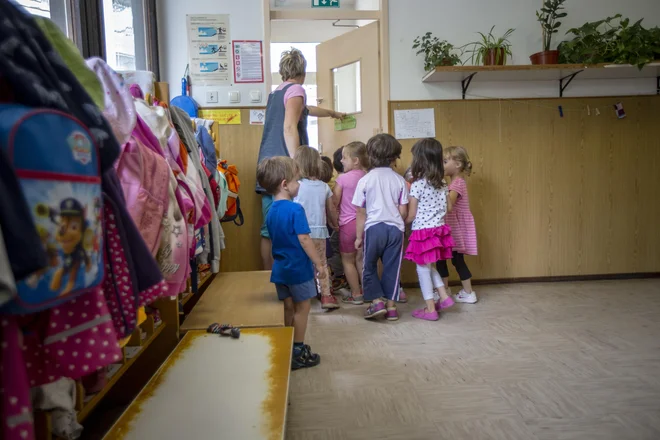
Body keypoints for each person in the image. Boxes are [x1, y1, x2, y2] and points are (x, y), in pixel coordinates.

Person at [256, 48, 344, 270]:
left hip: (268, 163)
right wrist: (297, 162)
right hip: (284, 165)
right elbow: (289, 127)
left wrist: (332, 113)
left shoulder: (277, 92)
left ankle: (268, 277)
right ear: (302, 72)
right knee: (292, 224)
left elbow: (306, 110)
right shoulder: (297, 89)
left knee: (270, 227)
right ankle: (295, 276)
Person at [257, 156, 325, 369]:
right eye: (297, 180)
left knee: (288, 307)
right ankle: (298, 349)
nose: (300, 184)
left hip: (281, 270)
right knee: (303, 308)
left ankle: (287, 344)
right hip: (298, 269)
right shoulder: (295, 209)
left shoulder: (270, 212)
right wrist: (320, 264)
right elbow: (304, 239)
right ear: (285, 185)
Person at [353, 134, 409, 321]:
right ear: (395, 157)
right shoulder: (400, 180)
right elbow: (403, 211)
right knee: (392, 268)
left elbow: (361, 212)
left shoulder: (365, 180)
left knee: (368, 266)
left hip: (373, 228)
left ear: (370, 156)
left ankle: (376, 302)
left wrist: (359, 237)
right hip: (395, 230)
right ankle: (391, 308)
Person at [404, 139, 455, 321]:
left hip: (422, 232)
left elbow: (411, 214)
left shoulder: (418, 185)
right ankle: (444, 296)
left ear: (420, 160)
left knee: (422, 269)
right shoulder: (442, 183)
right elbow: (449, 208)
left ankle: (430, 308)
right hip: (439, 230)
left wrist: (402, 222)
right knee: (429, 264)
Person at [293, 146, 339, 310]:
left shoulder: (295, 186)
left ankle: (301, 295)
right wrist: (335, 223)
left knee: (300, 263)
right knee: (321, 263)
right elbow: (332, 208)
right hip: (319, 232)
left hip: (299, 233)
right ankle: (326, 296)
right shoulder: (324, 186)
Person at [437, 146, 478, 304]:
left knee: (455, 259)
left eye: (445, 161)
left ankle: (468, 292)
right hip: (451, 227)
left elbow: (449, 204)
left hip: (454, 229)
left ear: (458, 164)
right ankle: (445, 290)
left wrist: (439, 186)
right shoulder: (455, 182)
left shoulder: (457, 183)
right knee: (444, 258)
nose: (442, 165)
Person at [333, 142, 368, 304]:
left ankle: (356, 294)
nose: (341, 161)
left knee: (348, 260)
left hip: (348, 225)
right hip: (366, 224)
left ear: (356, 160)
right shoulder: (368, 176)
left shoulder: (342, 178)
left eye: (344, 158)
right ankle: (368, 291)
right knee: (362, 259)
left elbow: (335, 201)